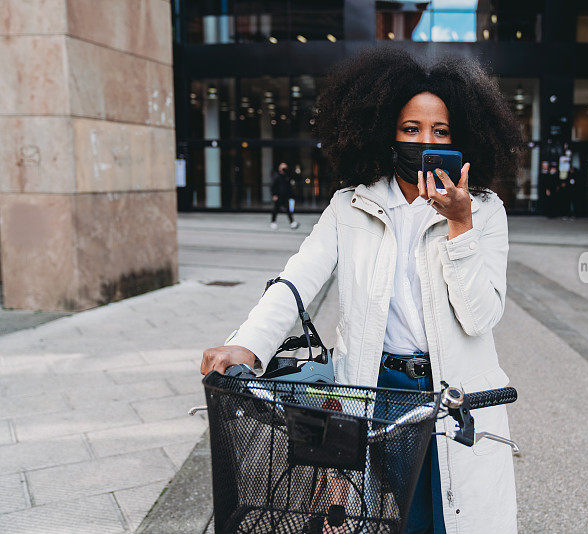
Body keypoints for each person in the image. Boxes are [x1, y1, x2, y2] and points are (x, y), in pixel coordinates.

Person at [201, 47, 523, 534]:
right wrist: (248, 343)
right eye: (411, 129)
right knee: (401, 518)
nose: (424, 140)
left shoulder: (484, 210)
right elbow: (299, 279)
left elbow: (479, 317)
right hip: (378, 390)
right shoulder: (349, 206)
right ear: (385, 131)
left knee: (462, 515)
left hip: (456, 393)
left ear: (463, 139)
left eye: (441, 132)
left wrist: (460, 226)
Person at [271, 162, 299, 230]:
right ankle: (273, 222)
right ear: (279, 168)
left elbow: (289, 185)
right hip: (278, 196)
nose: (284, 169)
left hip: (285, 196)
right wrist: (274, 195)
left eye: (285, 168)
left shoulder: (287, 176)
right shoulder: (277, 176)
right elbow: (273, 186)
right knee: (276, 209)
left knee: (288, 210)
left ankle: (292, 222)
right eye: (283, 168)